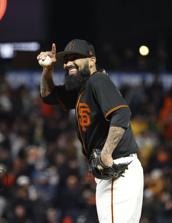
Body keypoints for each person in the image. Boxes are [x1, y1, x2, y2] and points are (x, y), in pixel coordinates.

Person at [37, 39, 144, 223]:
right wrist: (47, 69)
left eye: (75, 57)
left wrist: (106, 153)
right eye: (66, 59)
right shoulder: (82, 88)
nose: (68, 62)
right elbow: (49, 96)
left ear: (92, 60)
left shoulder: (97, 80)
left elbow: (122, 114)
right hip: (117, 172)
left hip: (117, 170)